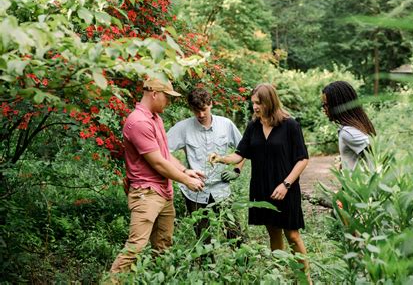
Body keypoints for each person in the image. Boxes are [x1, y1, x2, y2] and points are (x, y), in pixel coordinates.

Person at [209, 83, 311, 279]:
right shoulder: (253, 126)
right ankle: (278, 277)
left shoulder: (290, 125)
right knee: (273, 234)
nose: (255, 107)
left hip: (285, 188)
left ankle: (305, 280)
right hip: (262, 188)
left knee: (292, 235)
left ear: (270, 102)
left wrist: (286, 184)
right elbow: (240, 155)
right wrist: (221, 158)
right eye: (253, 103)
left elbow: (303, 159)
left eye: (259, 103)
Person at [110, 78, 205, 274]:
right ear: (154, 93)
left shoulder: (155, 118)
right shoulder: (138, 122)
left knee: (163, 247)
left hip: (163, 193)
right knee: (135, 247)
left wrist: (185, 170)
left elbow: (164, 153)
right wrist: (187, 181)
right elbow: (158, 163)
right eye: (167, 97)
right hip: (146, 193)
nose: (168, 102)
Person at [167, 88, 245, 246]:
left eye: (203, 110)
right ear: (191, 109)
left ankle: (244, 267)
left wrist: (237, 170)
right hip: (195, 190)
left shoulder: (226, 124)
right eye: (196, 111)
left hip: (221, 190)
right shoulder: (183, 128)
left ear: (211, 104)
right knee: (203, 239)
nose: (201, 115)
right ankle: (206, 267)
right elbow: (162, 151)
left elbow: (244, 150)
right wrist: (184, 171)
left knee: (234, 234)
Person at [321, 81, 376, 171]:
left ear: (337, 105)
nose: (324, 109)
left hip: (359, 184)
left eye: (325, 105)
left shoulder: (348, 132)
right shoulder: (356, 127)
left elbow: (377, 153)